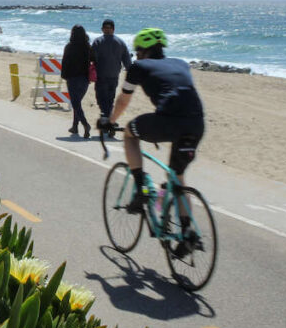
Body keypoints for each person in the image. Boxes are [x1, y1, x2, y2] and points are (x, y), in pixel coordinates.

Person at [100, 28, 205, 258]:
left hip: (168, 122)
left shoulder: (139, 67)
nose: (136, 57)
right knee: (177, 178)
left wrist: (110, 121)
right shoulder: (181, 63)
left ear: (143, 51)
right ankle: (188, 232)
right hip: (196, 124)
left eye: (137, 52)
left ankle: (141, 188)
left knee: (129, 133)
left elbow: (123, 100)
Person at [90, 19, 132, 119]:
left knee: (101, 97)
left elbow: (91, 58)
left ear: (102, 29)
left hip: (101, 74)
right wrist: (131, 73)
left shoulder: (97, 41)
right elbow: (127, 60)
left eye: (107, 28)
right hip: (114, 74)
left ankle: (106, 115)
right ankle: (109, 115)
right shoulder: (120, 42)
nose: (107, 30)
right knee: (110, 97)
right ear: (113, 29)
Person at [61, 25, 92, 138]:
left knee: (76, 103)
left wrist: (64, 76)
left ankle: (85, 124)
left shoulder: (69, 47)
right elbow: (93, 60)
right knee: (77, 103)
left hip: (72, 78)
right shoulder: (88, 46)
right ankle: (75, 126)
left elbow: (65, 63)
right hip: (84, 78)